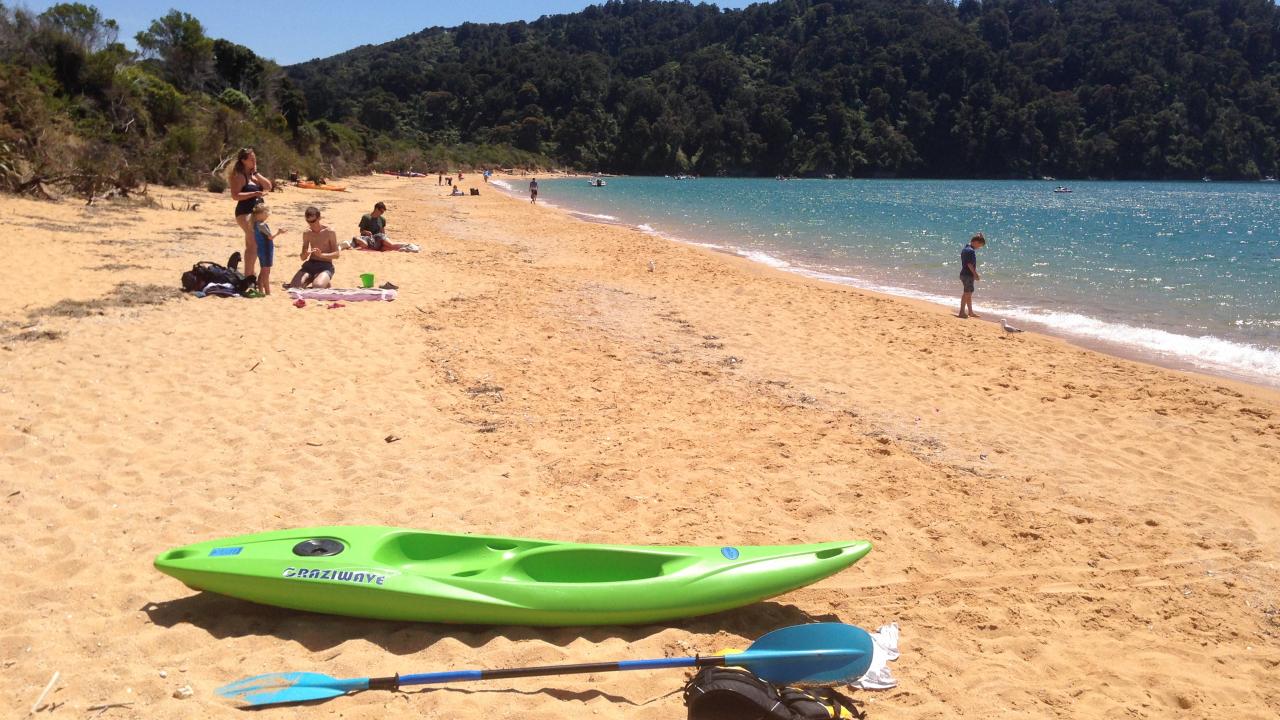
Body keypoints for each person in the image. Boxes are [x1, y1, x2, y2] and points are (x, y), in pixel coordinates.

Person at [228, 147, 273, 280]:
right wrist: (254, 193)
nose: (254, 161)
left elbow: (268, 186)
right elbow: (235, 195)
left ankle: (250, 274)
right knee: (253, 241)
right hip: (245, 212)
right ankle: (249, 276)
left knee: (253, 243)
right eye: (251, 159)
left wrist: (256, 173)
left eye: (255, 158)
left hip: (257, 214)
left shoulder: (253, 176)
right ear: (243, 161)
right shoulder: (239, 176)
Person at [287, 207, 339, 289]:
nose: (311, 224)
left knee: (318, 286)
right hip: (310, 264)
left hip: (325, 265)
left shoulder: (330, 232)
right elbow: (302, 258)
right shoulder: (307, 233)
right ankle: (315, 278)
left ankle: (320, 280)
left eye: (313, 221)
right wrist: (305, 254)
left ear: (319, 218)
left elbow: (337, 254)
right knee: (294, 286)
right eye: (308, 221)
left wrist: (321, 255)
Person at [350, 201, 419, 252]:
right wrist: (366, 232)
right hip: (370, 240)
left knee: (391, 245)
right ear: (376, 209)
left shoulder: (382, 219)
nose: (382, 213)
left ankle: (409, 245)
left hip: (379, 237)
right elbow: (361, 231)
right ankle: (407, 248)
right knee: (388, 248)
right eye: (381, 211)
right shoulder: (366, 217)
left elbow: (383, 232)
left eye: (383, 212)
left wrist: (385, 238)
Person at [250, 204, 286, 295]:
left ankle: (263, 291)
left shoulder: (255, 224)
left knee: (264, 270)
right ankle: (266, 292)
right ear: (261, 214)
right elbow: (270, 237)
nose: (267, 216)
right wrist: (279, 232)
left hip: (261, 249)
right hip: (266, 249)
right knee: (266, 272)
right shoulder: (262, 225)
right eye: (266, 213)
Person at [958, 232, 986, 319]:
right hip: (967, 275)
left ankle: (970, 312)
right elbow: (969, 264)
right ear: (975, 242)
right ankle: (962, 312)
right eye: (979, 245)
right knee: (967, 293)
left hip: (964, 274)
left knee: (968, 293)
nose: (979, 247)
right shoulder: (970, 251)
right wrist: (975, 274)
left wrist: (980, 236)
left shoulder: (966, 248)